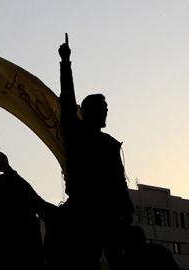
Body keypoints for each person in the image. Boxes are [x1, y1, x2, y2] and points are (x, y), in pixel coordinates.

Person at [56, 34, 134, 269]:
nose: (106, 112)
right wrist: (66, 63)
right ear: (90, 111)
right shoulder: (76, 133)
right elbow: (67, 100)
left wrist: (127, 209)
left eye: (107, 108)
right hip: (85, 212)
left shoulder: (110, 143)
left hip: (110, 215)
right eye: (103, 108)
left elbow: (119, 181)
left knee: (117, 261)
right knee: (86, 261)